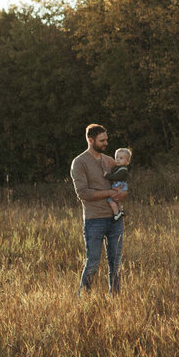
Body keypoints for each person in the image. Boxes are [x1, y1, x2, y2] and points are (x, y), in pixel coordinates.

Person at [70, 124, 129, 295]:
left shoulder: (110, 161)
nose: (106, 143)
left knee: (115, 264)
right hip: (94, 219)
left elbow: (121, 184)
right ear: (90, 140)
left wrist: (122, 192)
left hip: (115, 220)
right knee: (93, 263)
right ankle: (84, 298)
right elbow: (83, 193)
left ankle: (116, 300)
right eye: (102, 140)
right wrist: (109, 193)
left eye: (106, 140)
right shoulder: (79, 162)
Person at [104, 147, 132, 221]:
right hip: (118, 185)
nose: (118, 159)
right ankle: (120, 210)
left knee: (110, 200)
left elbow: (116, 177)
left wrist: (107, 175)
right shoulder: (117, 167)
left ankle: (116, 213)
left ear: (127, 161)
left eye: (121, 158)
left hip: (119, 185)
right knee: (117, 200)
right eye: (116, 157)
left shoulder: (123, 170)